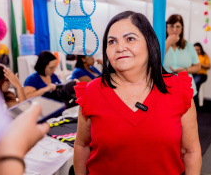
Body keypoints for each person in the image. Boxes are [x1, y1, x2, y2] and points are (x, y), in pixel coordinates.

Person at [73, 11, 201, 174]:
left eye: (130, 39)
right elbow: (82, 145)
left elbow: (190, 151)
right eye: (112, 42)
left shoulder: (178, 90)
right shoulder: (92, 91)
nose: (120, 48)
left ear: (149, 43)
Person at [0, 51, 49, 175]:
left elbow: (23, 113)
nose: (10, 83)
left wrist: (18, 87)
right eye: (7, 80)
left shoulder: (7, 96)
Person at [163, 14, 201, 96]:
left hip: (186, 90)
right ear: (166, 27)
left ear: (182, 28)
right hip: (165, 90)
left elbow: (198, 67)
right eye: (171, 26)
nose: (174, 29)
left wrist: (185, 70)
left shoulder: (189, 46)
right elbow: (154, 61)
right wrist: (168, 42)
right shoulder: (160, 45)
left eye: (178, 26)